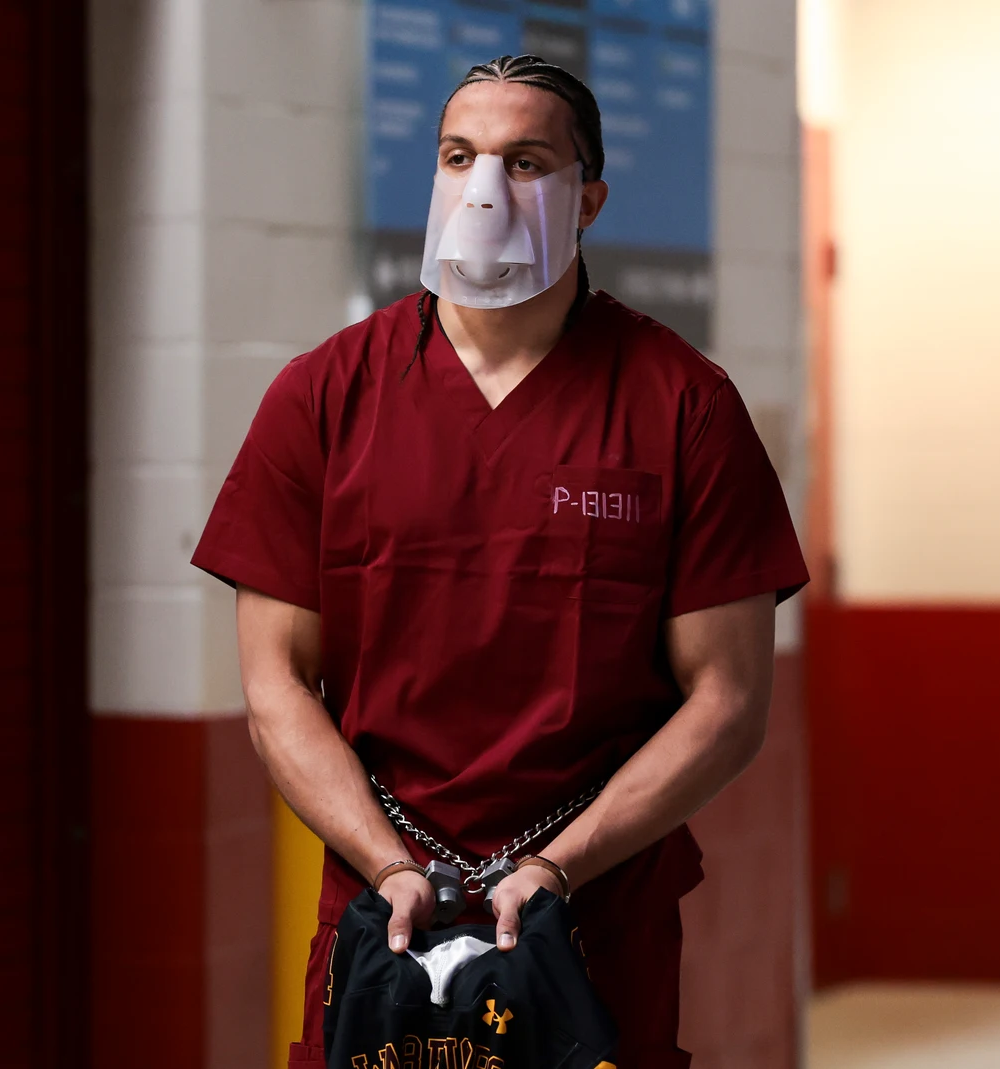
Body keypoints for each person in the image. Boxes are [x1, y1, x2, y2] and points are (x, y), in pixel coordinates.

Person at [190, 55, 808, 1069]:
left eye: (525, 161)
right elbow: (274, 683)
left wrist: (559, 866)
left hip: (590, 916)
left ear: (587, 198)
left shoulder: (681, 405)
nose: (485, 185)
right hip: (379, 915)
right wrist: (390, 864)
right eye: (458, 156)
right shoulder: (323, 396)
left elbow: (729, 699)